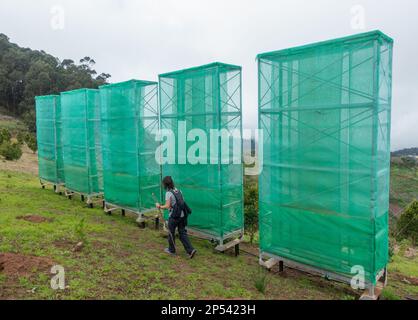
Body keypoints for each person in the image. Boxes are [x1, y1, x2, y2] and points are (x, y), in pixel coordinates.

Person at [156, 176, 197, 259]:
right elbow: (181, 202)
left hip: (174, 216)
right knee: (182, 233)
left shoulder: (168, 193)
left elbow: (167, 206)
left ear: (165, 184)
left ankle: (171, 250)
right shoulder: (178, 190)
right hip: (182, 215)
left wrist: (159, 206)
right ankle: (190, 250)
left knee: (171, 232)